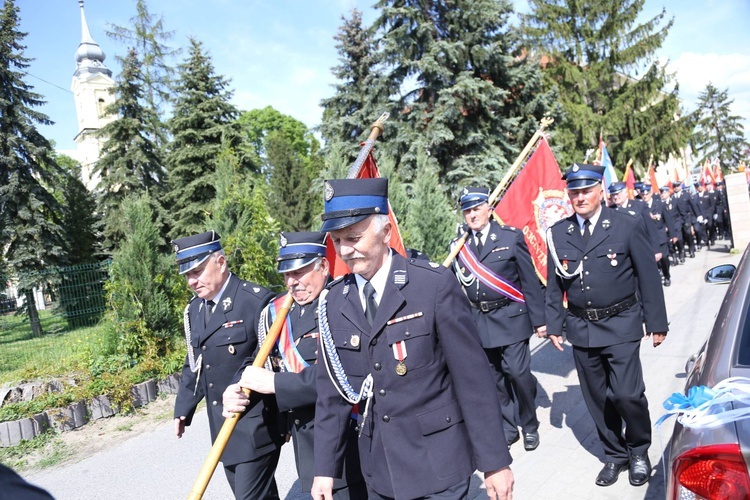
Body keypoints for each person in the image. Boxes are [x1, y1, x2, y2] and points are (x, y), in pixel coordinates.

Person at [311, 178, 514, 500]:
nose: (346, 251)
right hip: (380, 468)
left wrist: (495, 462)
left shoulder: (431, 286)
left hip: (439, 460)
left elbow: (473, 379)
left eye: (353, 237)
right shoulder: (333, 301)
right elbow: (330, 394)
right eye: (337, 241)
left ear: (386, 231)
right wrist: (324, 469)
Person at [544, 164, 669, 488]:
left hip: (622, 323)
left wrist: (656, 323)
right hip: (582, 328)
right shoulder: (558, 233)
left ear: (600, 190)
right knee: (598, 399)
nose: (580, 197)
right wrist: (553, 325)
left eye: (586, 190)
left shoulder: (626, 225)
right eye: (574, 192)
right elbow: (554, 284)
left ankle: (639, 450)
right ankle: (615, 455)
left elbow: (648, 277)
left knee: (627, 394)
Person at [222, 231, 366, 499]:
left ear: (323, 266)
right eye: (286, 274)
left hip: (347, 444)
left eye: (300, 272)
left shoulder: (347, 304)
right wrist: (236, 388)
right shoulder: (275, 313)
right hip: (307, 449)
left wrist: (275, 384)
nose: (292, 282)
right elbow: (257, 361)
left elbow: (340, 375)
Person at [171, 231, 283, 500]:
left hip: (255, 424)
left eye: (197, 271)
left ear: (220, 262)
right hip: (221, 427)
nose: (191, 281)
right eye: (187, 275)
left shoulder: (255, 302)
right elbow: (195, 362)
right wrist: (183, 408)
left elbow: (272, 361)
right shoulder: (196, 310)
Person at [451, 186, 545, 451]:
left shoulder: (510, 237)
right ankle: (508, 427)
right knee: (495, 380)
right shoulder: (461, 245)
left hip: (511, 317)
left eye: (477, 208)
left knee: (518, 373)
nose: (472, 214)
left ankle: (529, 425)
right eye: (467, 210)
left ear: (488, 209)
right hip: (479, 321)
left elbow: (529, 281)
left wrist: (540, 321)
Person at [607, 182, 661, 262]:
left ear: (625, 192)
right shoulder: (609, 211)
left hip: (641, 248)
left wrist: (656, 250)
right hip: (622, 253)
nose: (615, 197)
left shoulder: (639, 206)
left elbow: (651, 228)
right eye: (613, 194)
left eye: (618, 193)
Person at [641, 184, 675, 286]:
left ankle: (667, 275)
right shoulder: (640, 207)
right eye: (643, 194)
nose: (645, 196)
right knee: (653, 259)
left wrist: (673, 235)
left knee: (664, 257)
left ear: (651, 193)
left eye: (647, 194)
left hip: (660, 236)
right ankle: (658, 271)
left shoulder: (660, 204)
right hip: (648, 238)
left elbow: (668, 220)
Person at [672, 182, 699, 259]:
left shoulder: (686, 195)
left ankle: (691, 248)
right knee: (679, 237)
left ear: (680, 186)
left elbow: (693, 205)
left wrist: (698, 215)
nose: (676, 187)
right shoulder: (672, 197)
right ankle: (681, 251)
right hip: (677, 219)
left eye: (677, 186)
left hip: (686, 217)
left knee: (688, 233)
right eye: (674, 186)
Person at [659, 186, 682, 266]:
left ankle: (681, 252)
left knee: (678, 240)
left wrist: (681, 222)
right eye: (661, 193)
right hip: (666, 226)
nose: (663, 195)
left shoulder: (675, 201)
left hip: (676, 223)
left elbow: (680, 212)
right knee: (669, 243)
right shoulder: (660, 204)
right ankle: (674, 255)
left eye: (664, 193)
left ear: (668, 193)